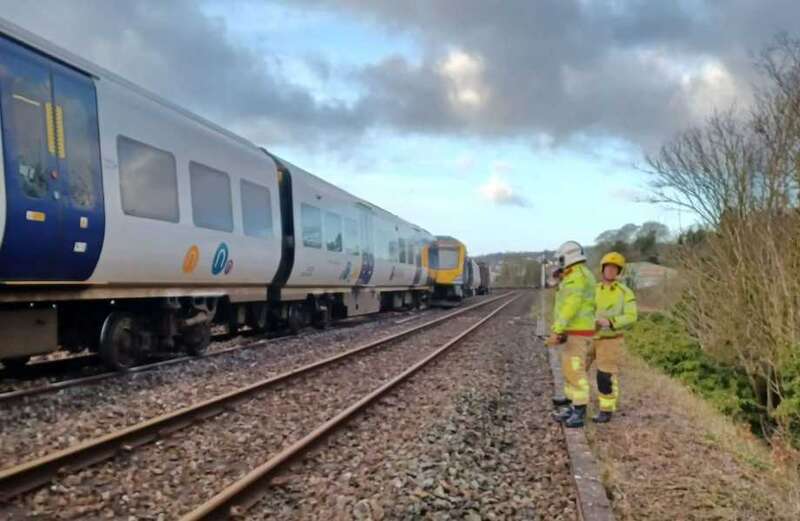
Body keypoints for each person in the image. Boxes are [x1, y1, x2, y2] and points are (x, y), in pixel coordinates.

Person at [545, 241, 596, 428]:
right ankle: (573, 407)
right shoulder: (575, 275)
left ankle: (580, 412)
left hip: (578, 332)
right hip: (574, 331)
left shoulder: (577, 276)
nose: (559, 263)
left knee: (575, 370)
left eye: (561, 259)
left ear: (569, 256)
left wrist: (558, 328)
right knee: (569, 370)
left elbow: (571, 305)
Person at [588, 252, 638, 423]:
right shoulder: (592, 290)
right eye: (608, 268)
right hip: (588, 338)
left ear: (618, 272)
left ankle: (606, 410)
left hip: (610, 340)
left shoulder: (625, 293)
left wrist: (610, 322)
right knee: (576, 369)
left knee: (604, 375)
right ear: (602, 269)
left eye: (614, 269)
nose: (610, 271)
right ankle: (574, 403)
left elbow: (631, 316)